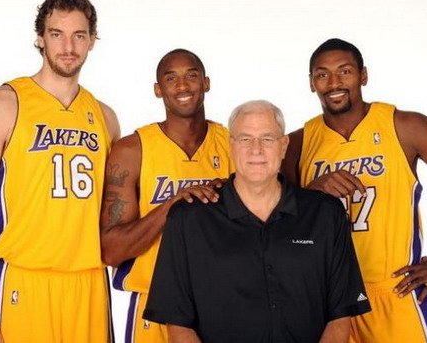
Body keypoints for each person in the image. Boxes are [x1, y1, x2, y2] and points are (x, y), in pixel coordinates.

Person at [281, 38, 427, 342]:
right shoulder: (297, 144)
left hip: (395, 292)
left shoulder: (405, 126)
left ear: (363, 75)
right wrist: (310, 194)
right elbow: (269, 216)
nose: (334, 82)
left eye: (344, 71)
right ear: (311, 83)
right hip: (328, 302)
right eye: (322, 74)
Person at [0, 0, 120, 343]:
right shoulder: (1, 105)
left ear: (92, 40)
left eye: (79, 35)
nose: (68, 47)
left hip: (90, 285)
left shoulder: (105, 118)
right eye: (56, 34)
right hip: (23, 282)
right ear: (40, 38)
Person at [143, 100, 371, 343]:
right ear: (231, 146)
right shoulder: (188, 219)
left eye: (267, 139)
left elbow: (339, 319)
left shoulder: (326, 214)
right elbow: (179, 327)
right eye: (245, 139)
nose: (256, 150)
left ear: (284, 146)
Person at [100, 48, 233, 343]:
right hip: (154, 307)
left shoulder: (234, 143)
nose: (182, 86)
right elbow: (111, 250)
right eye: (171, 78)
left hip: (224, 302)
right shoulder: (132, 150)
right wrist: (173, 204)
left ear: (206, 83)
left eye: (191, 76)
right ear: (158, 90)